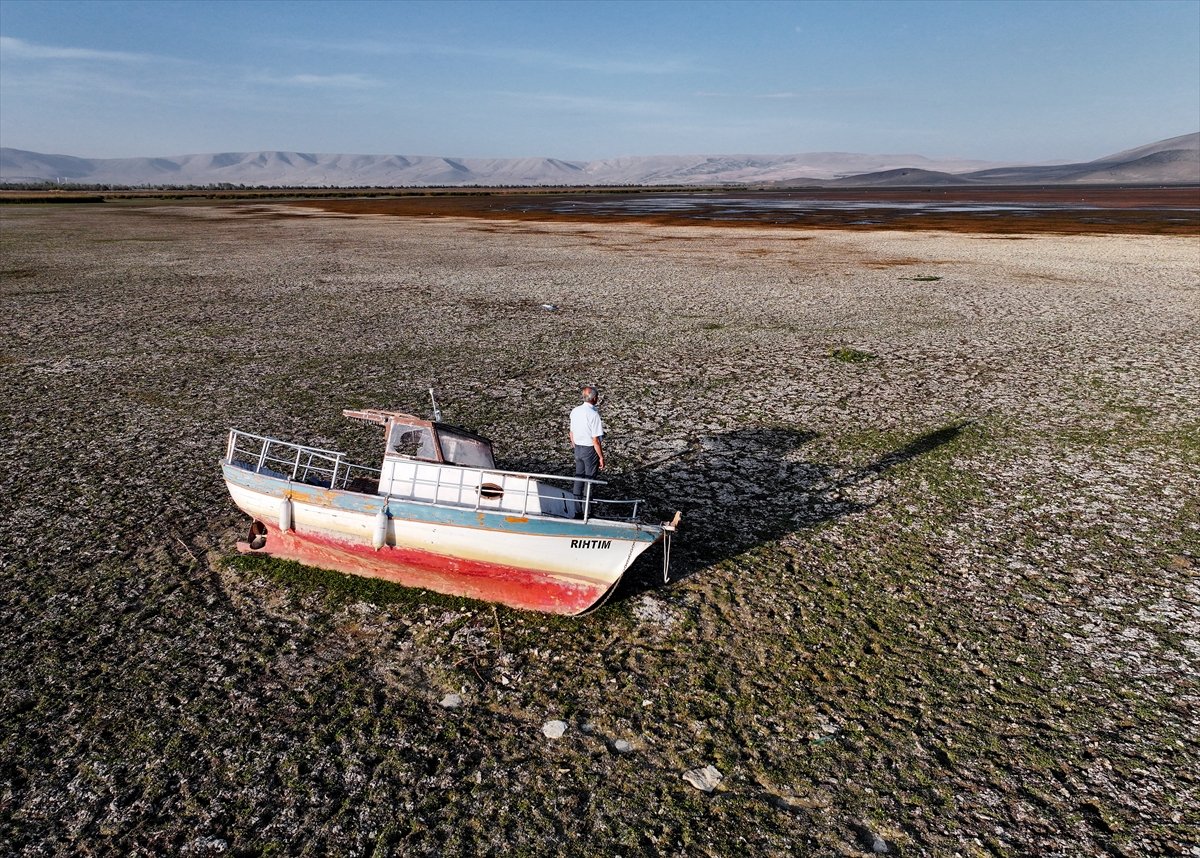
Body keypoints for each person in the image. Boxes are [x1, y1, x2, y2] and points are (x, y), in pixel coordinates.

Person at [569, 385, 605, 516]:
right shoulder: (593, 415)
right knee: (589, 480)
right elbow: (595, 440)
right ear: (594, 398)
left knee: (579, 478)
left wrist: (575, 446)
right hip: (589, 450)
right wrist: (601, 457)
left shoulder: (575, 411)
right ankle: (587, 512)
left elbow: (571, 433)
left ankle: (577, 510)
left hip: (578, 448)